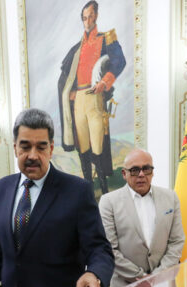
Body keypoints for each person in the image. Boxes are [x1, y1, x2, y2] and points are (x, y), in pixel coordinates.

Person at [0, 108, 114, 287]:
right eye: (25, 146)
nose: (32, 155)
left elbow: (99, 248)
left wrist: (94, 274)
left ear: (51, 149)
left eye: (41, 147)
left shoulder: (77, 191)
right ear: (14, 148)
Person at [58, 0, 126, 195]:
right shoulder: (76, 48)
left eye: (91, 16)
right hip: (78, 99)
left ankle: (104, 191)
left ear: (96, 16)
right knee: (83, 148)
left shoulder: (106, 38)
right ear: (83, 19)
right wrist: (69, 91)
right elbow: (67, 74)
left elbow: (119, 62)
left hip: (95, 96)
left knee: (98, 146)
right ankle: (88, 190)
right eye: (85, 17)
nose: (88, 20)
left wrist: (105, 82)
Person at [99, 148, 185, 287]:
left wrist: (157, 276)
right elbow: (109, 248)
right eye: (134, 170)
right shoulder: (108, 202)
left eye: (146, 169)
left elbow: (177, 241)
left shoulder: (171, 198)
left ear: (152, 171)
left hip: (163, 284)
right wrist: (140, 277)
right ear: (124, 174)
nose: (141, 175)